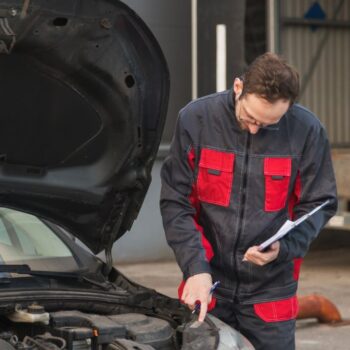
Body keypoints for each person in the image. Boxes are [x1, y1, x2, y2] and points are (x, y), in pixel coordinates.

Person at [159, 52, 337, 350]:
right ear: (238, 88)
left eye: (269, 124)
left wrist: (285, 247)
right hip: (209, 284)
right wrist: (195, 267)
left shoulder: (306, 131)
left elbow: (320, 204)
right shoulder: (196, 120)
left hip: (271, 292)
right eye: (251, 118)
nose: (256, 129)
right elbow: (177, 203)